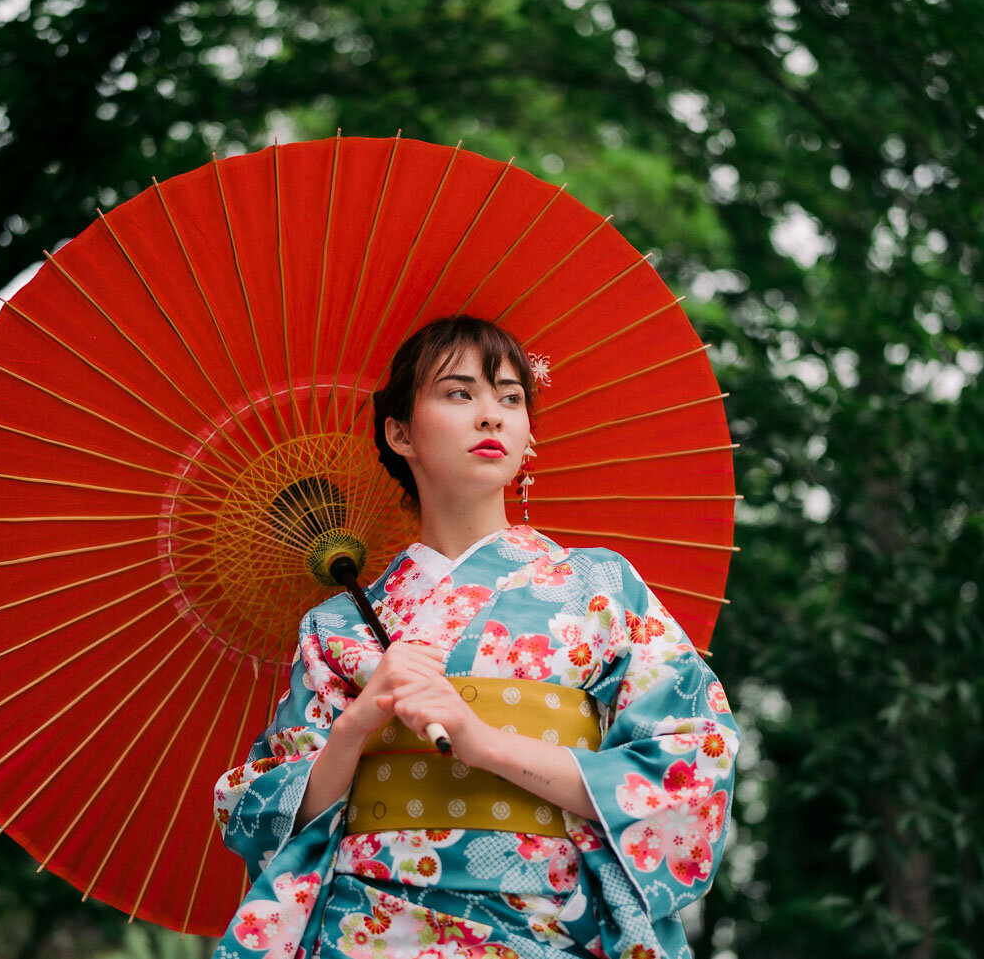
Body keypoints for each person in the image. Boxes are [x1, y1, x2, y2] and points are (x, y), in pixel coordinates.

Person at [212, 316, 739, 959]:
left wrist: (480, 740)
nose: (491, 415)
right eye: (460, 393)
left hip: (548, 923)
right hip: (367, 930)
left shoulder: (601, 588)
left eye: (510, 397)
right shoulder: (337, 625)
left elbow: (692, 763)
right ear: (399, 432)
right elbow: (266, 813)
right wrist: (357, 724)